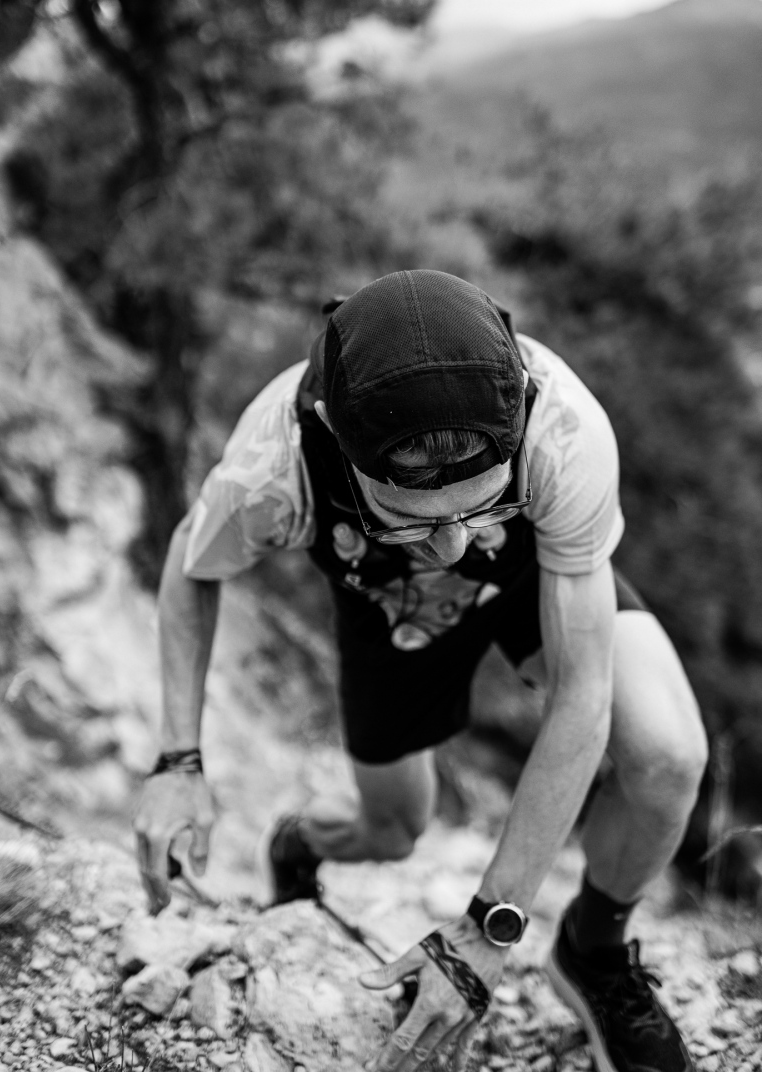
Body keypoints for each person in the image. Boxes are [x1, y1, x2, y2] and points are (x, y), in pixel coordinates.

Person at [134, 269, 707, 1072]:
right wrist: (178, 760)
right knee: (396, 828)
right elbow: (190, 567)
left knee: (669, 759)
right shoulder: (273, 464)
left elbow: (583, 694)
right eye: (410, 517)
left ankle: (595, 952)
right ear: (337, 438)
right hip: (389, 613)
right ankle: (298, 842)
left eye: (485, 505)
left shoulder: (565, 430)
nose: (455, 545)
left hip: (536, 576)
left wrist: (488, 927)